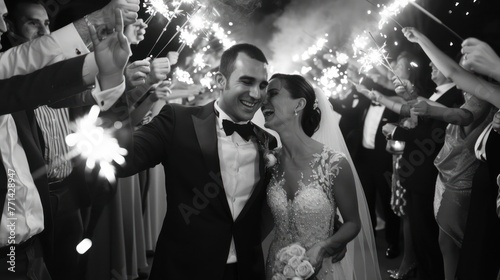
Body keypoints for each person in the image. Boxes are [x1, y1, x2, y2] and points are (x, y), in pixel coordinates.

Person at [112, 43, 276, 280]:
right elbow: (121, 161)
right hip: (184, 269)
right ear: (221, 80)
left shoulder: (268, 142)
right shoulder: (177, 121)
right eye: (246, 82)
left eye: (262, 85)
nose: (256, 94)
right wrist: (123, 89)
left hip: (245, 272)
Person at [0, 8, 131, 280]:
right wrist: (93, 24)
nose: (2, 25)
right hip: (8, 255)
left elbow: (60, 91)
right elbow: (29, 74)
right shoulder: (10, 78)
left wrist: (108, 71)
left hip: (31, 245)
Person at [261, 74, 381, 280]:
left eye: (272, 93)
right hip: (276, 267)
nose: (264, 101)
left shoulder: (333, 163)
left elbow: (353, 222)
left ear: (298, 104)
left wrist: (325, 246)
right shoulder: (269, 162)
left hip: (322, 269)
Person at [402, 27, 495, 280]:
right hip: (450, 171)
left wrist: (432, 111)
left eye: (468, 68)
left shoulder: (486, 94)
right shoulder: (476, 91)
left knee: (454, 243)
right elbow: (450, 79)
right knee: (448, 241)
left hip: (466, 175)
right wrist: (421, 38)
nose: (461, 72)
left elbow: (461, 115)